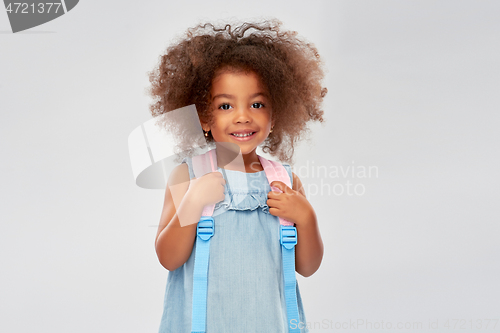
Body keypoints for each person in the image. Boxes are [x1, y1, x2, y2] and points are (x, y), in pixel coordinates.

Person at [148, 19, 327, 333]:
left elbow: (307, 267)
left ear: (276, 114)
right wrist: (192, 204)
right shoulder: (187, 176)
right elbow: (168, 258)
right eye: (225, 105)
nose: (243, 115)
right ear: (204, 117)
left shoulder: (284, 180)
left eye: (257, 103)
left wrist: (307, 218)